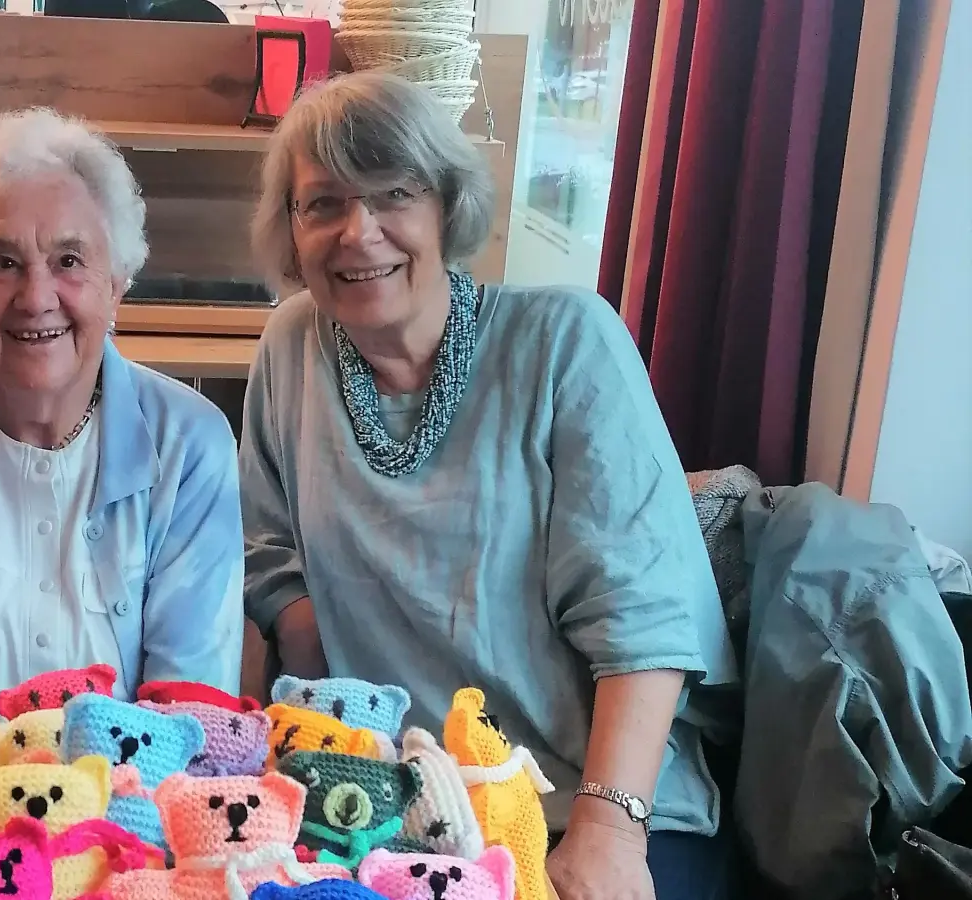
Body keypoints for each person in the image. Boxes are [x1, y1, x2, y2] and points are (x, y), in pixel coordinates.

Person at [240, 72, 738, 900]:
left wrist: (608, 833)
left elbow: (645, 614)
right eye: (322, 203)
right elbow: (271, 557)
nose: (359, 233)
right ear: (291, 231)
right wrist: (336, 748)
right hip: (395, 807)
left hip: (587, 799)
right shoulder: (293, 345)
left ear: (447, 205)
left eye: (393, 193)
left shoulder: (566, 344)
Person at [0, 107, 245, 821]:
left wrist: (89, 830)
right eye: (2, 262)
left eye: (69, 260)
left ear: (117, 284)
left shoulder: (191, 446)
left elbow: (187, 703)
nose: (36, 297)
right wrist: (23, 818)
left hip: (137, 825)